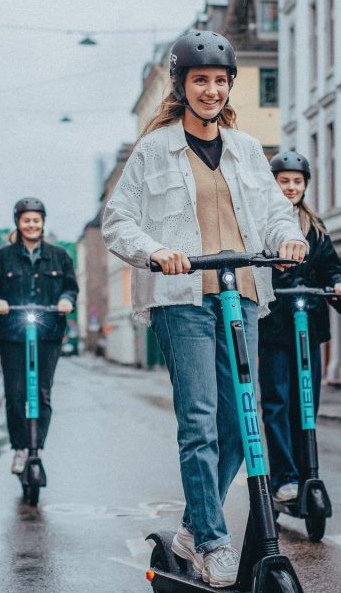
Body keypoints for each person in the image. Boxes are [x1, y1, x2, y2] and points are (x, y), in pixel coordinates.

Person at [102, 30, 307, 588]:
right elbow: (117, 220)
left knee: (243, 426)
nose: (212, 90)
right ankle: (212, 543)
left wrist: (289, 240)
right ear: (182, 86)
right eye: (201, 81)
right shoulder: (154, 149)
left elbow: (273, 212)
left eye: (220, 81)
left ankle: (194, 525)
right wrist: (156, 251)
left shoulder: (244, 148)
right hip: (182, 299)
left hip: (241, 295)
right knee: (199, 422)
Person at [258, 151, 341, 503]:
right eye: (285, 181)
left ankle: (307, 471)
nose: (291, 187)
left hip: (307, 325)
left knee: (306, 403)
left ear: (305, 186)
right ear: (274, 184)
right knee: (277, 402)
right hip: (273, 325)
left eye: (297, 182)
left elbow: (331, 266)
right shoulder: (263, 222)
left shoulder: (315, 227)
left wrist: (339, 284)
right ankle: (284, 477)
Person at [0, 198, 78, 475]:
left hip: (48, 334)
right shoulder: (3, 258)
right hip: (13, 334)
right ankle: (21, 449)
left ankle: (38, 447)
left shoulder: (60, 256)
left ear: (43, 222)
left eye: (36, 219)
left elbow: (71, 287)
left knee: (42, 393)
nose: (31, 224)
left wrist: (67, 300)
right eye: (26, 220)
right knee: (15, 394)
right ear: (18, 223)